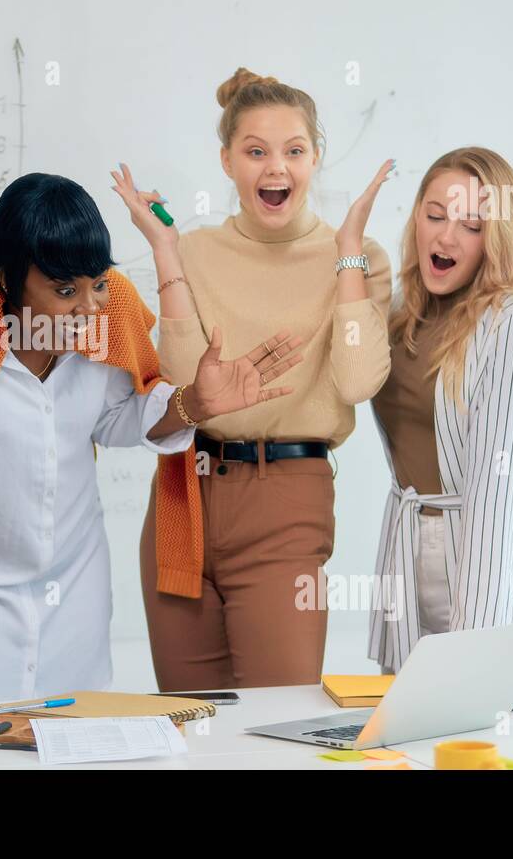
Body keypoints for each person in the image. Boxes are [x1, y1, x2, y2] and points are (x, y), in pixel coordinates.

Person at [0, 172, 303, 703]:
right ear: (9, 279)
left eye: (98, 283)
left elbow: (120, 418)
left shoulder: (108, 312)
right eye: (64, 291)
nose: (90, 307)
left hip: (74, 591)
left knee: (79, 745)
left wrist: (193, 404)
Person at [114, 66, 394, 690]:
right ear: (226, 161)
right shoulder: (193, 251)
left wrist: (346, 250)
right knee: (194, 730)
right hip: (183, 497)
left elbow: (355, 381)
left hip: (286, 500)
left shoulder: (359, 257)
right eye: (256, 151)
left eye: (294, 151)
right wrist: (164, 252)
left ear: (315, 157)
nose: (276, 168)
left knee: (280, 727)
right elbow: (187, 391)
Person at [368, 146, 513, 673]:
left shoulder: (512, 326)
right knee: (407, 744)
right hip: (409, 553)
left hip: (484, 569)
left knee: (481, 743)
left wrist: (473, 655)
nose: (445, 237)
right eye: (434, 215)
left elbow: (493, 499)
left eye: (471, 225)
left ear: (498, 239)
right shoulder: (401, 313)